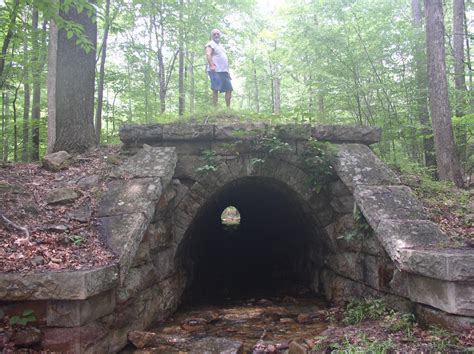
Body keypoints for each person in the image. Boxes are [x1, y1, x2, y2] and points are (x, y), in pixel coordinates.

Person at [205, 28, 232, 108]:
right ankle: (215, 109)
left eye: (218, 34)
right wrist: (212, 65)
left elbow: (223, 59)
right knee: (215, 89)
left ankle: (228, 109)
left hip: (224, 72)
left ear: (220, 35)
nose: (216, 35)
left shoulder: (221, 46)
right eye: (214, 34)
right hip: (215, 71)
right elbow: (208, 54)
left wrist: (228, 72)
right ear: (211, 36)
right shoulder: (210, 44)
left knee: (229, 89)